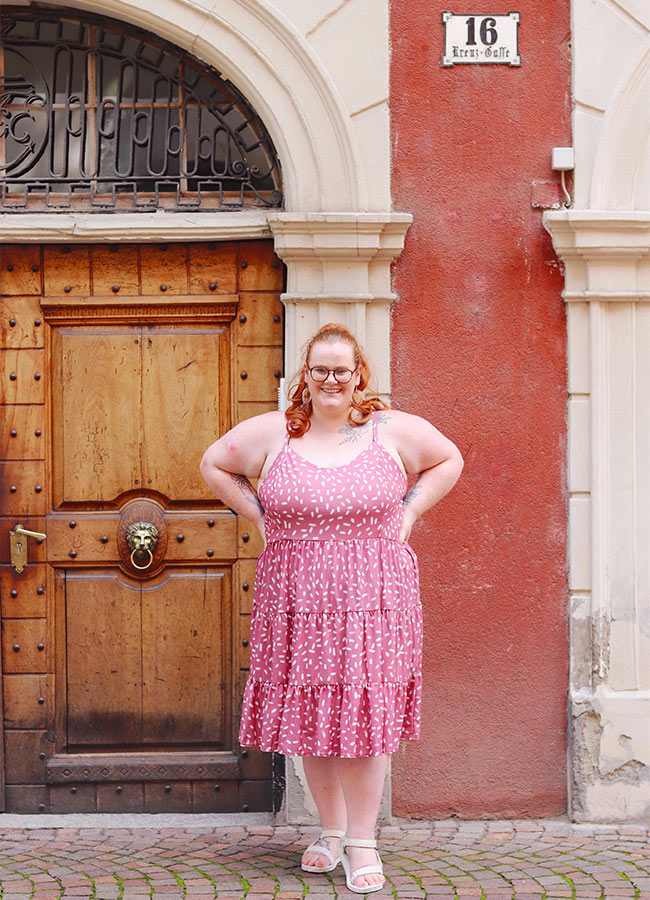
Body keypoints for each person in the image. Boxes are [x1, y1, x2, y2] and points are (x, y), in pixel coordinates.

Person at [199, 322, 463, 893]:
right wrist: (261, 518)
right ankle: (331, 831)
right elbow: (213, 464)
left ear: (359, 373)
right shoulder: (276, 432)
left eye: (341, 369)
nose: (331, 379)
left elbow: (449, 460)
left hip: (374, 595)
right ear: (306, 375)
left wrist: (410, 513)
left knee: (364, 715)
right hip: (294, 595)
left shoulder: (390, 430)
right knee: (313, 712)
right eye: (320, 369)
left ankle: (363, 842)